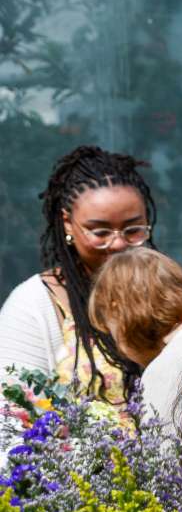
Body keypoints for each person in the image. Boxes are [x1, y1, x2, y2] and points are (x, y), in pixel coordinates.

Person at [0, 146, 157, 402]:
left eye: (132, 229)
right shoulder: (32, 307)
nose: (118, 243)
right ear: (67, 223)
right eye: (100, 232)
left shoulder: (173, 295)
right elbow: (10, 419)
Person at [86, 247, 182, 427]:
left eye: (111, 330)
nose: (118, 346)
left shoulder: (164, 369)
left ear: (119, 313)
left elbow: (167, 452)